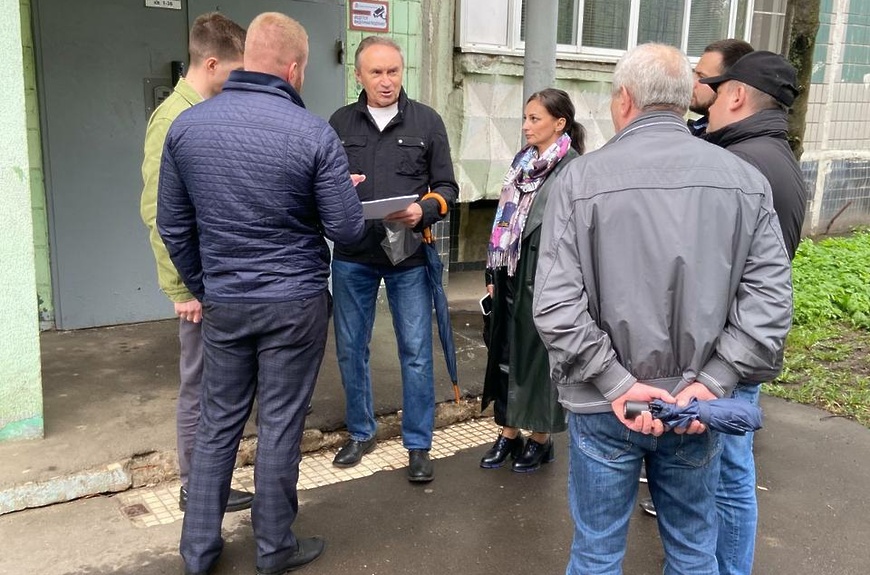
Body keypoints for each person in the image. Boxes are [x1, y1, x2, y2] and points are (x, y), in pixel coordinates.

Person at [532, 43, 793, 574]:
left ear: (625, 100)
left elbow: (556, 304)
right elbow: (770, 299)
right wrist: (715, 381)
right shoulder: (745, 181)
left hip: (607, 405)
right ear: (681, 100)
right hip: (693, 405)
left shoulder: (579, 180)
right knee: (694, 550)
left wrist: (616, 383)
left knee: (597, 552)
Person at [157, 13, 365, 575]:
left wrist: (206, 286)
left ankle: (197, 551)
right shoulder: (313, 133)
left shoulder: (188, 128)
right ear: (293, 69)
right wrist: (337, 194)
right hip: (295, 303)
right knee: (279, 425)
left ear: (247, 57)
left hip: (225, 301)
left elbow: (172, 225)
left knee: (217, 422)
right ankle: (274, 549)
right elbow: (346, 230)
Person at [328, 36, 459, 483]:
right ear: (358, 75)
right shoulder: (339, 123)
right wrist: (338, 190)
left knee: (416, 351)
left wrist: (423, 209)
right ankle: (361, 432)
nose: (386, 81)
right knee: (351, 348)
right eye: (376, 72)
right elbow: (321, 185)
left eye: (393, 71)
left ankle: (418, 443)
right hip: (353, 253)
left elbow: (448, 188)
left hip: (408, 254)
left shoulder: (427, 121)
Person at [139, 11, 253, 514]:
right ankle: (196, 487)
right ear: (211, 64)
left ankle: (208, 483)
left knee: (217, 387)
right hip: (198, 285)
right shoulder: (173, 120)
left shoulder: (203, 111)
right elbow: (157, 212)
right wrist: (182, 289)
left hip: (218, 280)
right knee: (200, 386)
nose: (240, 82)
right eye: (235, 71)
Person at [700, 50, 807, 575]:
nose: (710, 103)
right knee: (729, 471)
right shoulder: (775, 155)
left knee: (727, 475)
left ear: (738, 95)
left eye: (718, 92)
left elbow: (719, 268)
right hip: (745, 343)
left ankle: (728, 568)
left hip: (730, 349)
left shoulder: (743, 164)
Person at [638, 38, 753, 518]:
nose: (696, 83)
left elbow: (760, 288)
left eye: (704, 76)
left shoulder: (748, 169)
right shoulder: (734, 164)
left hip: (696, 384)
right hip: (697, 384)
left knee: (730, 481)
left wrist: (714, 380)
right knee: (692, 532)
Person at [479, 88, 585, 472]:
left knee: (539, 360)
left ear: (559, 123)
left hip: (544, 277)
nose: (526, 126)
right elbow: (503, 221)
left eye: (535, 118)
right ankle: (509, 432)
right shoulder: (523, 161)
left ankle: (541, 438)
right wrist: (492, 271)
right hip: (510, 272)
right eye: (525, 118)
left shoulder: (572, 168)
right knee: (506, 353)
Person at [688, 39, 754, 136]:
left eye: (702, 77)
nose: (692, 84)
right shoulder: (701, 129)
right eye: (694, 74)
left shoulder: (742, 141)